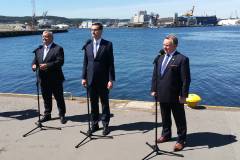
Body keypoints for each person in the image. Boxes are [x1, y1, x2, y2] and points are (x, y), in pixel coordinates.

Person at [151, 34, 191, 151]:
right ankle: (166, 134)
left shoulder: (182, 59)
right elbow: (155, 75)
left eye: (167, 45)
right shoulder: (160, 58)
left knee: (179, 119)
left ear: (175, 45)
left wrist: (183, 95)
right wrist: (153, 89)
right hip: (161, 93)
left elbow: (186, 79)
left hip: (175, 96)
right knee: (165, 116)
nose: (165, 47)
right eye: (164, 45)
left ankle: (181, 139)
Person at [82, 22, 115, 136]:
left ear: (101, 31)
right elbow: (85, 63)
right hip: (90, 79)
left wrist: (111, 79)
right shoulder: (88, 45)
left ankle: (105, 125)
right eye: (91, 30)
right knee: (93, 103)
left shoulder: (108, 45)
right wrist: (83, 77)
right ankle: (94, 124)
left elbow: (111, 63)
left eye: (95, 30)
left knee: (104, 103)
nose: (93, 32)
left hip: (103, 79)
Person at [32, 30, 67, 124]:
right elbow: (35, 61)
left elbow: (60, 62)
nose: (44, 38)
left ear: (51, 38)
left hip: (55, 79)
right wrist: (34, 66)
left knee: (59, 98)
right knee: (46, 98)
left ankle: (62, 115)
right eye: (43, 36)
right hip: (43, 79)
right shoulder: (39, 49)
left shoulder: (58, 48)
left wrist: (47, 65)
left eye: (46, 36)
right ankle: (47, 115)